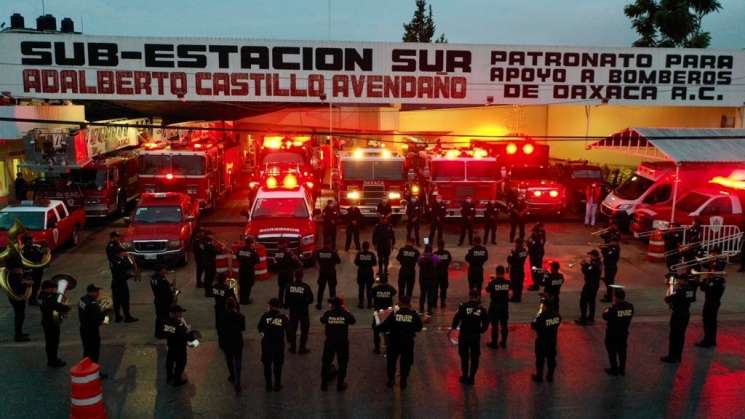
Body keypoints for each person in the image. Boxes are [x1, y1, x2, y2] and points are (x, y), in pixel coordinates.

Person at [376, 296, 423, 389]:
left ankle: (391, 380)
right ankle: (403, 381)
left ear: (400, 303)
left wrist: (377, 326)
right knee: (406, 362)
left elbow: (384, 326)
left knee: (391, 362)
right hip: (407, 343)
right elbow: (419, 328)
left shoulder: (394, 314)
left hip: (394, 342)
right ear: (409, 304)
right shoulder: (413, 315)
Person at [451, 290, 489, 385]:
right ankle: (472, 377)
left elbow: (456, 318)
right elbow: (486, 323)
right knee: (475, 357)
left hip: (464, 335)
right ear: (478, 297)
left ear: (470, 296)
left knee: (464, 357)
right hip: (475, 336)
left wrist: (454, 328)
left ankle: (464, 376)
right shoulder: (481, 309)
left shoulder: (463, 306)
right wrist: (481, 330)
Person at [320, 297, 356, 392]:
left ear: (333, 305)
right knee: (343, 363)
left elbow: (322, 320)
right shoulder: (345, 314)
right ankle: (340, 385)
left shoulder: (328, 313)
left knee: (326, 362)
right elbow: (353, 320)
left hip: (330, 341)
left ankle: (324, 385)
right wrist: (346, 311)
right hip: (342, 342)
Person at [661, 274, 696, 363]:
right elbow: (692, 299)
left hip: (678, 314)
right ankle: (678, 356)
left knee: (674, 336)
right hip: (686, 313)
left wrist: (671, 288)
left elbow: (667, 299)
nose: (678, 282)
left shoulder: (679, 290)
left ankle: (672, 356)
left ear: (682, 280)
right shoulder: (691, 288)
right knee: (681, 336)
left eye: (679, 280)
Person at [696, 250, 727, 348]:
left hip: (711, 303)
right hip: (714, 302)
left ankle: (707, 340)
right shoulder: (720, 280)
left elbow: (704, 289)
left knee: (708, 322)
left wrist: (704, 281)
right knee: (712, 322)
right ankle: (711, 340)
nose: (711, 271)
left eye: (713, 269)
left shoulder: (715, 281)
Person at [258, 298, 289, 391]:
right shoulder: (283, 317)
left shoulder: (265, 316)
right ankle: (277, 385)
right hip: (278, 344)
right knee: (278, 365)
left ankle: (268, 385)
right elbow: (289, 330)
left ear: (270, 306)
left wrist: (263, 334)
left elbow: (259, 327)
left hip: (267, 344)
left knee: (267, 366)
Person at [602, 287, 634, 376]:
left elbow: (604, 316)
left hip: (612, 333)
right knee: (622, 351)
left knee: (612, 351)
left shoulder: (613, 309)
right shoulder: (630, 307)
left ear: (616, 297)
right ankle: (622, 369)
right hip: (623, 333)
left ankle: (614, 369)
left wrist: (611, 307)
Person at [39, 279, 70, 367]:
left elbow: (54, 297)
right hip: (51, 323)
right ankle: (53, 361)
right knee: (53, 343)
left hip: (47, 321)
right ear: (47, 289)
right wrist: (66, 307)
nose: (54, 290)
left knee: (50, 342)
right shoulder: (48, 299)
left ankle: (52, 358)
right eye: (52, 288)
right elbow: (60, 306)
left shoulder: (41, 296)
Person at [531, 297, 561, 383]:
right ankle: (550, 376)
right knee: (551, 359)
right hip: (552, 341)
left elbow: (533, 325)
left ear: (546, 306)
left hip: (542, 342)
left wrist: (539, 313)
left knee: (540, 359)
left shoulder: (542, 317)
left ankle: (539, 376)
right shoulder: (557, 316)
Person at [221, 297, 245, 394]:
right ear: (235, 305)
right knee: (238, 359)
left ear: (226, 306)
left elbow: (221, 328)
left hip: (227, 340)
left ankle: (232, 375)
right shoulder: (241, 316)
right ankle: (238, 380)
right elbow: (242, 329)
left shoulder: (222, 316)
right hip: (237, 340)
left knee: (229, 358)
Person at [79, 284, 106, 367]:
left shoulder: (82, 299)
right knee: (94, 352)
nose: (98, 293)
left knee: (87, 350)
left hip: (83, 328)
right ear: (91, 292)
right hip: (92, 331)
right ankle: (93, 371)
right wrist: (106, 314)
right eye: (96, 292)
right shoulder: (92, 304)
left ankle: (86, 368)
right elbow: (99, 319)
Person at [5, 252, 31, 341]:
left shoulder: (14, 274)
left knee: (20, 315)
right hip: (17, 298)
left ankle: (19, 333)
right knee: (19, 316)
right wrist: (25, 283)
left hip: (18, 297)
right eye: (19, 268)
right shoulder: (14, 276)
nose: (21, 269)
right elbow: (17, 289)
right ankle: (18, 335)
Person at [287, 270, 314, 354]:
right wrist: (304, 302)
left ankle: (293, 347)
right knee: (304, 330)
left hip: (293, 311)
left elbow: (286, 300)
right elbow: (311, 300)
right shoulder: (305, 287)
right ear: (302, 276)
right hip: (303, 311)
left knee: (292, 330)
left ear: (295, 276)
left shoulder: (289, 286)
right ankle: (302, 348)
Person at [163, 305, 190, 386]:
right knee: (181, 363)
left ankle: (169, 377)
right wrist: (187, 330)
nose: (181, 314)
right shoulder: (179, 324)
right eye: (180, 312)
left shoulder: (166, 321)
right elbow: (184, 335)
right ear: (175, 313)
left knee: (170, 362)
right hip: (180, 348)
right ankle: (177, 380)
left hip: (171, 346)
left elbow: (166, 332)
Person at [371, 273, 397, 354]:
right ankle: (388, 347)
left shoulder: (375, 289)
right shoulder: (390, 289)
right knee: (387, 331)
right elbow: (394, 292)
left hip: (378, 312)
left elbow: (371, 294)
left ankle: (377, 348)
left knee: (376, 331)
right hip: (387, 313)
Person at [485, 266, 510, 349]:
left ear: (496, 272)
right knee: (504, 324)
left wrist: (491, 280)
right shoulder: (507, 282)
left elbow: (487, 290)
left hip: (495, 306)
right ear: (503, 273)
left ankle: (494, 343)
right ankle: (503, 342)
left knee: (495, 325)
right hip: (504, 306)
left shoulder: (493, 282)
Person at [110, 250, 138, 323]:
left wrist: (128, 258)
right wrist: (131, 275)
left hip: (114, 283)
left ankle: (117, 316)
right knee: (125, 300)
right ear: (120, 253)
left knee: (116, 301)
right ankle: (127, 317)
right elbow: (124, 271)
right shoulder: (119, 261)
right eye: (124, 252)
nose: (126, 253)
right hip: (121, 283)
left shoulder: (113, 259)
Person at [576, 250, 602, 325]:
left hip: (590, 284)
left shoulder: (595, 263)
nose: (590, 257)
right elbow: (590, 268)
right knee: (591, 301)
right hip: (594, 284)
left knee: (583, 301)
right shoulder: (597, 263)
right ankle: (591, 317)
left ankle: (583, 318)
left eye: (591, 255)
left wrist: (583, 265)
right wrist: (586, 265)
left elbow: (588, 271)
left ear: (594, 256)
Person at [212, 273, 236, 352]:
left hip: (217, 308)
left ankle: (221, 343)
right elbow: (232, 299)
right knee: (226, 326)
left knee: (219, 325)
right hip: (226, 309)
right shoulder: (228, 288)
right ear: (225, 279)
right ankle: (227, 342)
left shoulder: (214, 287)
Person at [315, 241, 341, 310]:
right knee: (332, 290)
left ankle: (319, 305)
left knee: (321, 289)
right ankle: (333, 306)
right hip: (331, 273)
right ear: (330, 244)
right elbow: (338, 261)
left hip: (322, 272)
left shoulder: (319, 252)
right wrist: (336, 253)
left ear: (324, 244)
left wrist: (318, 267)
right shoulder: (333, 252)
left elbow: (315, 259)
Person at [274, 239, 301, 307]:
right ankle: (287, 303)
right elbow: (295, 262)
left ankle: (280, 303)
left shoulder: (277, 253)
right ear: (284, 244)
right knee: (288, 288)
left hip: (281, 273)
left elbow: (275, 262)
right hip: (288, 272)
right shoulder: (289, 253)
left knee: (281, 289)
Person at [150, 265, 174, 339]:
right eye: (164, 270)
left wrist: (170, 284)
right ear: (160, 270)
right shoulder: (161, 279)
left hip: (158, 300)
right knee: (164, 318)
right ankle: (162, 333)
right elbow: (165, 291)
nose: (166, 271)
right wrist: (172, 297)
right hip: (163, 301)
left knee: (160, 318)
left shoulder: (154, 279)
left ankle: (159, 333)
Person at [21, 235, 45, 305]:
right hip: (31, 271)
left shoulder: (34, 247)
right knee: (32, 286)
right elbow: (34, 258)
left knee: (36, 285)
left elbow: (40, 257)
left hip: (38, 270)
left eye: (31, 240)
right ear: (25, 242)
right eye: (29, 241)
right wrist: (41, 253)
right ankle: (32, 299)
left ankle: (33, 298)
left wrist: (43, 250)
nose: (31, 242)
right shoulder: (25, 250)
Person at [235, 236, 259, 304]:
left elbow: (237, 257)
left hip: (242, 270)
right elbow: (257, 261)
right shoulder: (253, 252)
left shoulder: (240, 250)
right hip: (249, 271)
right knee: (248, 286)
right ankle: (246, 300)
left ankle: (241, 299)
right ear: (251, 243)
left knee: (242, 285)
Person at [417, 244, 439, 315]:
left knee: (422, 294)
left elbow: (418, 264)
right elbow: (438, 263)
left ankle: (421, 309)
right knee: (430, 294)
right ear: (431, 250)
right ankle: (429, 309)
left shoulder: (421, 257)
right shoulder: (435, 257)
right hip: (431, 278)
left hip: (423, 278)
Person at [354, 241, 377, 308]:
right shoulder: (371, 254)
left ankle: (361, 303)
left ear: (362, 246)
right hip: (369, 272)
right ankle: (369, 303)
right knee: (369, 289)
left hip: (361, 272)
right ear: (368, 247)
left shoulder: (359, 254)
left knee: (361, 288)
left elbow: (356, 262)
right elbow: (375, 263)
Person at [526, 223, 546, 291]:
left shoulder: (536, 237)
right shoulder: (542, 234)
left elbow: (529, 243)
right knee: (539, 267)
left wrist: (529, 242)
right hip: (539, 254)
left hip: (535, 254)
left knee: (534, 269)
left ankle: (536, 284)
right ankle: (540, 281)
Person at [601, 238, 621, 302]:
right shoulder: (612, 248)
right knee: (608, 281)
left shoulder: (615, 249)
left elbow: (607, 255)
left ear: (615, 242)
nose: (610, 243)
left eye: (612, 242)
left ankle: (610, 297)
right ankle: (609, 294)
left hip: (611, 267)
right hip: (609, 267)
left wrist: (603, 249)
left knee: (609, 282)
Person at [433, 240, 452, 308]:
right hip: (444, 274)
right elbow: (449, 261)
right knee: (443, 289)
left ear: (438, 246)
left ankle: (434, 303)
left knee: (435, 289)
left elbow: (433, 264)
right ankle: (443, 303)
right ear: (444, 245)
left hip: (436, 274)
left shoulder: (435, 254)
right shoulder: (447, 253)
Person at [201, 231, 219, 297]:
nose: (213, 236)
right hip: (209, 262)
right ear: (208, 235)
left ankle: (209, 290)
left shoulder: (206, 241)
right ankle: (208, 293)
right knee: (209, 277)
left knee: (209, 277)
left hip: (208, 262)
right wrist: (219, 249)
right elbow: (213, 251)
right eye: (211, 235)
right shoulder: (207, 242)